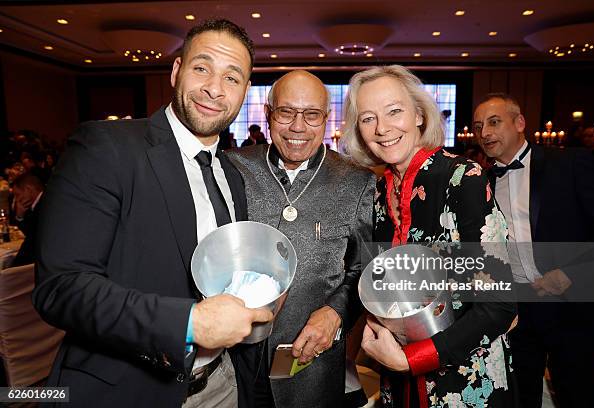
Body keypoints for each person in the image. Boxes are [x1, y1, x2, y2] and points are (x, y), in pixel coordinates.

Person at [32, 19, 273, 407]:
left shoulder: (232, 175)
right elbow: (61, 288)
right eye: (201, 68)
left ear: (245, 91)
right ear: (176, 71)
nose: (214, 88)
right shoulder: (108, 148)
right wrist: (190, 323)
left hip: (221, 386)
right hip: (128, 391)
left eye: (232, 78)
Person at [342, 65, 516, 407]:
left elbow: (500, 305)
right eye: (368, 118)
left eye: (394, 111)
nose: (382, 128)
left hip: (466, 378)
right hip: (399, 378)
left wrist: (412, 359)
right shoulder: (379, 192)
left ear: (420, 115)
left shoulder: (464, 178)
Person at [228, 69, 376, 408]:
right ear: (268, 115)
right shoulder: (232, 167)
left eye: (311, 115)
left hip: (310, 363)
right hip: (233, 361)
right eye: (286, 112)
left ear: (326, 118)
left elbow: (367, 270)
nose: (298, 127)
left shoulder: (357, 182)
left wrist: (337, 313)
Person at [473, 93, 594, 408]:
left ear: (519, 122)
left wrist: (570, 274)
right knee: (522, 394)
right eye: (479, 126)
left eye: (494, 122)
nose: (485, 133)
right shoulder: (479, 181)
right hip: (518, 308)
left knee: (577, 393)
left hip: (571, 301)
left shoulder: (570, 163)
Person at [11, 172, 43, 266]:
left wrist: (20, 215)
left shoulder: (43, 206)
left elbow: (31, 236)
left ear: (28, 189)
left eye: (17, 195)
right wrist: (20, 216)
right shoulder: (35, 206)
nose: (17, 200)